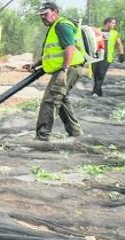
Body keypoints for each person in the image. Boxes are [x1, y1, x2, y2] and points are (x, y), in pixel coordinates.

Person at [23, 2, 86, 141]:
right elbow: (51, 53)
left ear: (55, 12)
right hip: (69, 68)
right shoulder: (54, 27)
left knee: (50, 100)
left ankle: (42, 136)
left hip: (69, 69)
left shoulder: (62, 26)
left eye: (45, 14)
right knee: (61, 100)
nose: (43, 18)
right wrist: (35, 65)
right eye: (41, 16)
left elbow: (70, 48)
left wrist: (64, 70)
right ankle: (75, 132)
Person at [92, 17, 125, 96]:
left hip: (107, 57)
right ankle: (98, 91)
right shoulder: (97, 31)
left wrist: (121, 54)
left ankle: (95, 92)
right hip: (96, 56)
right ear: (108, 23)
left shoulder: (115, 33)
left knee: (101, 74)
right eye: (113, 23)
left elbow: (119, 44)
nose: (114, 25)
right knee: (95, 74)